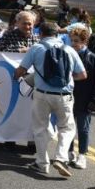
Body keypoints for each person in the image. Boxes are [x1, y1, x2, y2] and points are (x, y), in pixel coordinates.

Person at [14, 20, 87, 177]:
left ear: (41, 34)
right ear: (57, 33)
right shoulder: (69, 49)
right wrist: (67, 78)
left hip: (41, 95)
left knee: (40, 129)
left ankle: (42, 164)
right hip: (64, 96)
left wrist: (18, 75)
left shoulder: (36, 48)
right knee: (67, 128)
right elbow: (82, 75)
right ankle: (61, 157)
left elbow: (21, 71)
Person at [68, 25, 95, 170]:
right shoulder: (69, 55)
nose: (73, 44)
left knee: (83, 129)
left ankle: (82, 155)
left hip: (85, 100)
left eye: (76, 41)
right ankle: (69, 151)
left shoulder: (93, 59)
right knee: (69, 126)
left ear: (84, 42)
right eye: (72, 41)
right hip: (69, 98)